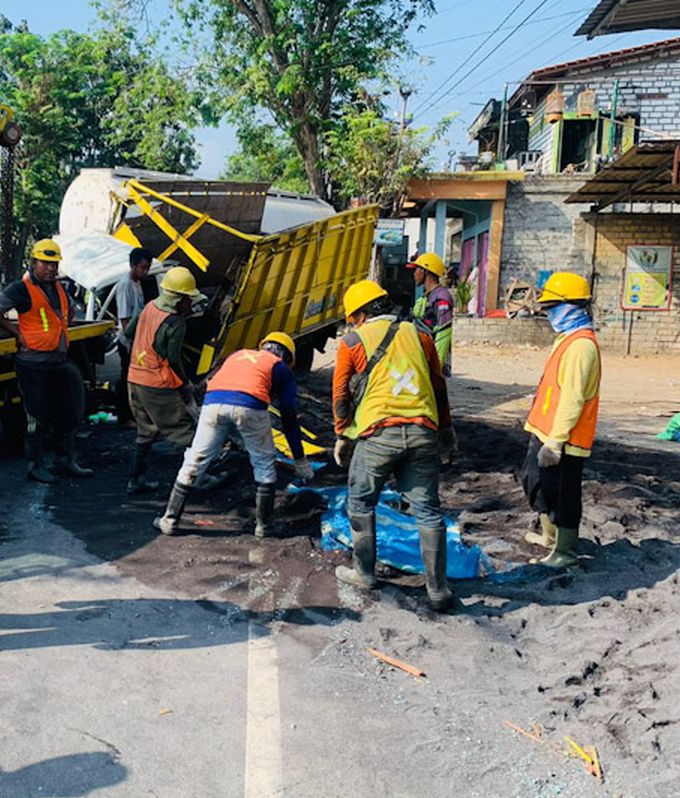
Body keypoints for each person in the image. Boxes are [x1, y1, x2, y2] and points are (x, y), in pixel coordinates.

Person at [331, 279, 456, 612]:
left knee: (360, 500)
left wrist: (343, 434)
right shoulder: (421, 335)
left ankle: (364, 573)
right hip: (422, 430)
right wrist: (446, 433)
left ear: (359, 314)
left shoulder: (353, 341)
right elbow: (438, 386)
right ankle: (438, 589)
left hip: (376, 434)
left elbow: (341, 395)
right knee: (428, 510)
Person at [153, 331, 317, 538]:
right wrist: (300, 459)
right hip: (250, 406)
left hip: (212, 403)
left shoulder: (239, 355)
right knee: (264, 463)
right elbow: (288, 414)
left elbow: (221, 387)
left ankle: (169, 520)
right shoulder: (280, 367)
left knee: (195, 459)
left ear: (264, 346)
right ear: (286, 356)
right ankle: (264, 526)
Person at [0, 238, 92, 483]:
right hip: (33, 364)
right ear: (34, 262)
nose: (51, 268)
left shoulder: (59, 288)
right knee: (36, 417)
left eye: (54, 264)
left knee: (67, 412)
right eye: (45, 263)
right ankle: (35, 464)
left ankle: (66, 459)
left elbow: (69, 312)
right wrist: (16, 332)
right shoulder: (21, 288)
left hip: (58, 361)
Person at [521, 272, 601, 568]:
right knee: (533, 480)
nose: (549, 313)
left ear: (573, 306)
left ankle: (565, 550)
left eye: (553, 307)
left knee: (563, 494)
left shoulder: (582, 346)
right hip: (544, 429)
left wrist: (555, 443)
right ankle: (549, 537)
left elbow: (573, 398)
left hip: (565, 439)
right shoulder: (567, 339)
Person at [123, 266, 204, 494]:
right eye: (188, 300)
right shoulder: (175, 323)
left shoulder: (149, 307)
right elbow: (173, 359)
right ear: (179, 299)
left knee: (145, 431)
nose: (190, 305)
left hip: (134, 379)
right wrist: (185, 384)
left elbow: (129, 332)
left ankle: (136, 480)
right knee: (185, 431)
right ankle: (198, 479)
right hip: (156, 384)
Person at [113, 247, 152, 424]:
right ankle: (124, 417)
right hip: (128, 341)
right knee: (126, 380)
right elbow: (125, 319)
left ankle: (135, 415)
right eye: (143, 267)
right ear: (133, 266)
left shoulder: (137, 284)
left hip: (136, 339)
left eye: (147, 268)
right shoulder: (125, 285)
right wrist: (135, 342)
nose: (145, 271)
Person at [408, 252, 455, 376]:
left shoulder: (441, 297)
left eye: (416, 269)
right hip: (421, 356)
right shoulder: (427, 297)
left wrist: (436, 367)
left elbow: (445, 332)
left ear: (426, 271)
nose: (414, 274)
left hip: (430, 361)